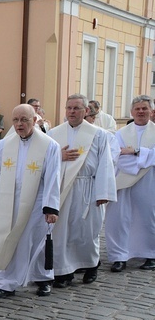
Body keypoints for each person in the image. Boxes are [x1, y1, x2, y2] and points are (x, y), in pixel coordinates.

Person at [0, 104, 60, 298]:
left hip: (37, 200)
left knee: (36, 239)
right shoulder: (5, 144)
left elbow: (53, 176)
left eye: (24, 120)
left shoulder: (49, 145)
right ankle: (5, 282)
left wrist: (50, 207)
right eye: (16, 120)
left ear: (35, 121)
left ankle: (43, 278)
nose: (19, 124)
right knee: (7, 238)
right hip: (9, 199)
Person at [48, 94, 116, 286]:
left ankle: (91, 265)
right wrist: (58, 156)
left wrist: (103, 192)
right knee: (62, 232)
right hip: (62, 188)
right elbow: (45, 159)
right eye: (69, 108)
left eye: (76, 108)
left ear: (86, 111)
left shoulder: (99, 134)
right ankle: (63, 272)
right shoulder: (54, 133)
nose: (72, 112)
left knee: (87, 230)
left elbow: (105, 164)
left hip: (88, 187)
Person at [105, 95, 155, 272]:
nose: (141, 111)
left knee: (147, 217)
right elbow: (117, 157)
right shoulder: (120, 134)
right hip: (123, 181)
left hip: (149, 181)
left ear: (151, 111)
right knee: (118, 218)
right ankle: (119, 256)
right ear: (131, 112)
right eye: (137, 109)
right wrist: (143, 158)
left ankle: (150, 254)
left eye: (144, 108)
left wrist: (135, 152)